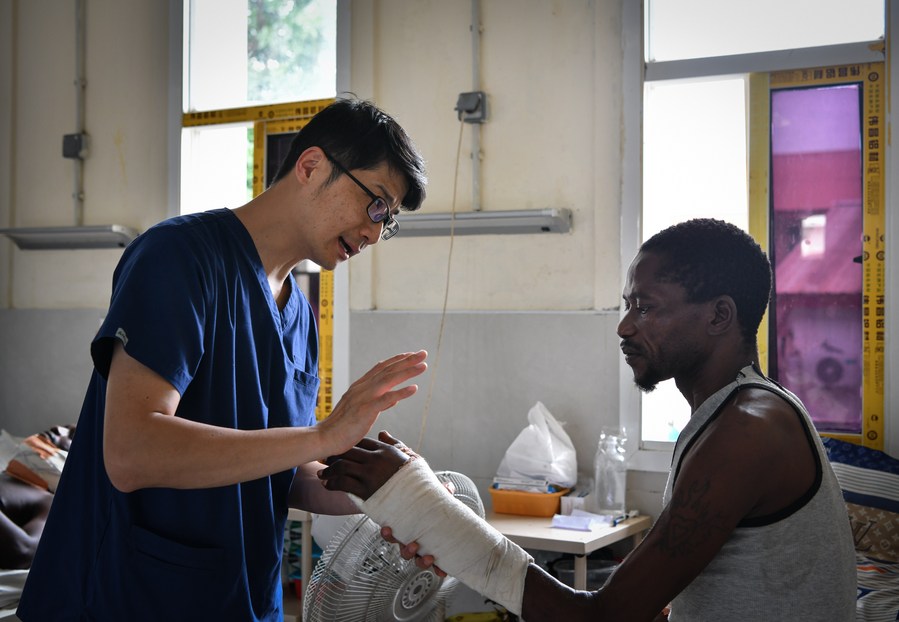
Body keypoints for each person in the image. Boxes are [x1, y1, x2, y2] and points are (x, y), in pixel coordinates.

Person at [319, 218, 857, 621]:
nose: (624, 326)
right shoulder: (731, 415)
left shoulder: (748, 430)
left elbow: (604, 618)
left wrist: (421, 506)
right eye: (627, 305)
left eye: (646, 307)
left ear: (719, 315)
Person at [17, 98, 430, 621]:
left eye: (387, 222)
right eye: (376, 205)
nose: (374, 233)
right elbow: (131, 452)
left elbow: (285, 468)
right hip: (128, 597)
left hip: (242, 599)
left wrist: (383, 495)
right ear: (310, 166)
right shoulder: (178, 258)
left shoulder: (300, 318)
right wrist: (325, 434)